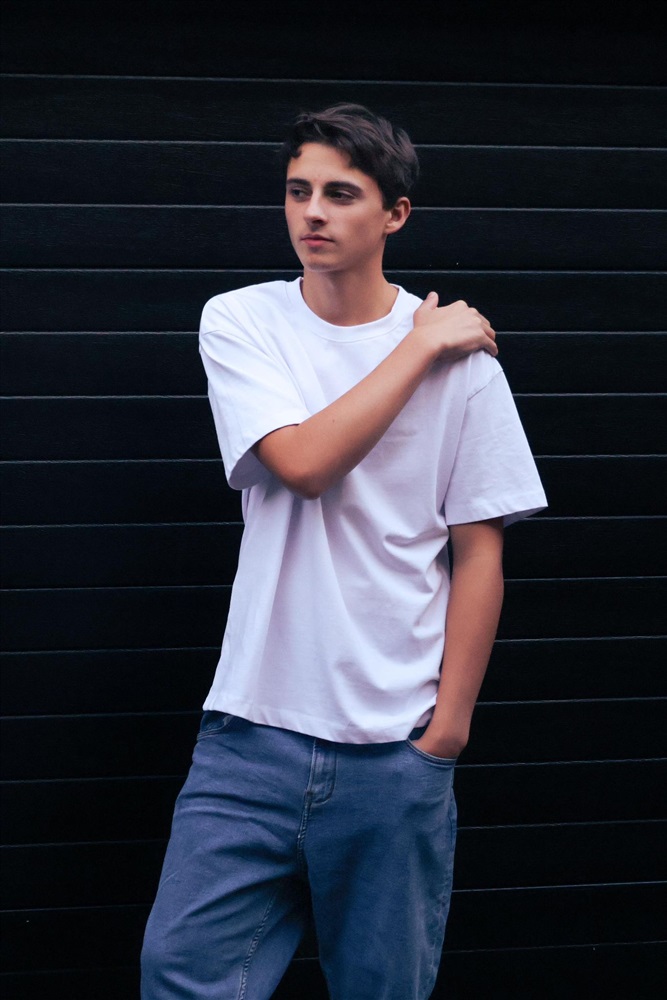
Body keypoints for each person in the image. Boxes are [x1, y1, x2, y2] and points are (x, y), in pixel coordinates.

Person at [141, 104, 546, 1000]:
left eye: (340, 194)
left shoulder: (467, 365)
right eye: (297, 192)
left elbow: (478, 553)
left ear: (395, 214)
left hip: (394, 748)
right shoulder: (244, 321)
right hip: (251, 735)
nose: (312, 213)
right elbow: (303, 466)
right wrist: (417, 348)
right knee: (180, 974)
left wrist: (446, 734)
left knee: (381, 987)